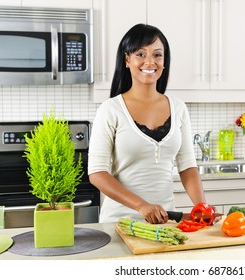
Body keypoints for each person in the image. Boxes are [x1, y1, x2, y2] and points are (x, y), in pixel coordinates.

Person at [88, 23, 207, 224]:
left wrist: (202, 207)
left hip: (165, 221)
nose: (150, 61)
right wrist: (141, 206)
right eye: (141, 54)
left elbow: (188, 167)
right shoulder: (110, 110)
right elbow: (97, 174)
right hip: (120, 222)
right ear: (127, 60)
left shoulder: (178, 108)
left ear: (165, 60)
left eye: (157, 55)